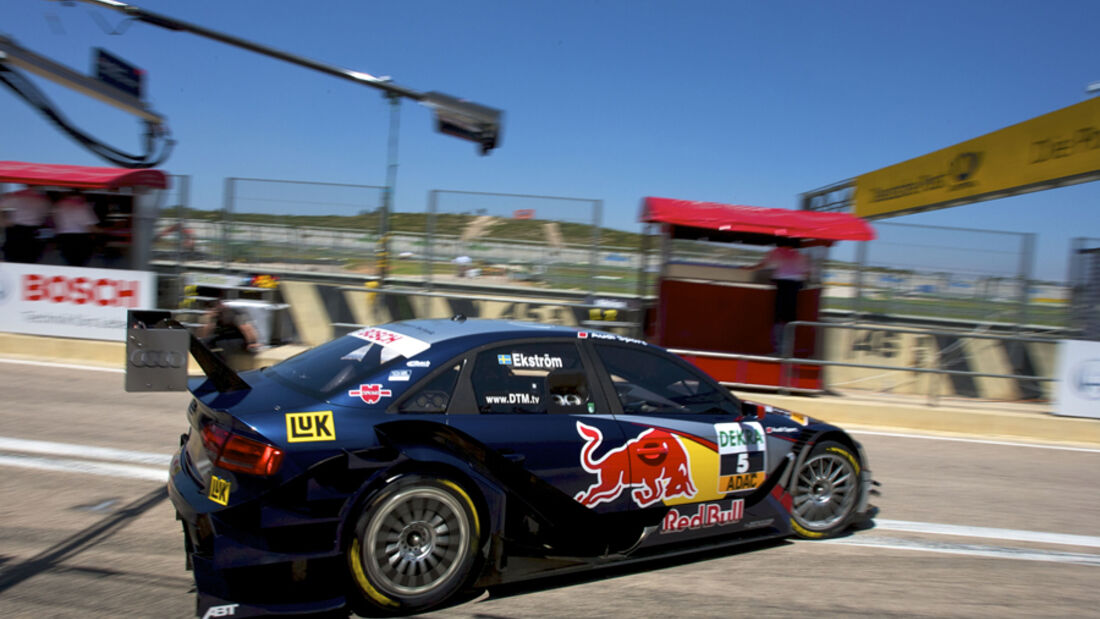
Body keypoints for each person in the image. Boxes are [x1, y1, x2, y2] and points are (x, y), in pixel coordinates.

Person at [747, 237, 811, 352]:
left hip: (782, 285)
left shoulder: (776, 252)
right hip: (795, 286)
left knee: (778, 316)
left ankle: (778, 347)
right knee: (790, 317)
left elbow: (762, 265)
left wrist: (748, 269)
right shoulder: (800, 256)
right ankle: (788, 348)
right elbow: (807, 273)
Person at [1, 185, 51, 263]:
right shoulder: (44, 201)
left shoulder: (13, 196)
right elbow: (45, 218)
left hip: (15, 232)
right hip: (33, 233)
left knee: (12, 261)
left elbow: (2, 211)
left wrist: (6, 223)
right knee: (30, 262)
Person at [53, 190, 100, 267]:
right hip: (81, 239)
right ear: (82, 195)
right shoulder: (83, 205)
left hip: (63, 238)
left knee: (69, 263)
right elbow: (92, 228)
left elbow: (53, 222)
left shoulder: (58, 205)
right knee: (80, 264)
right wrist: (106, 231)